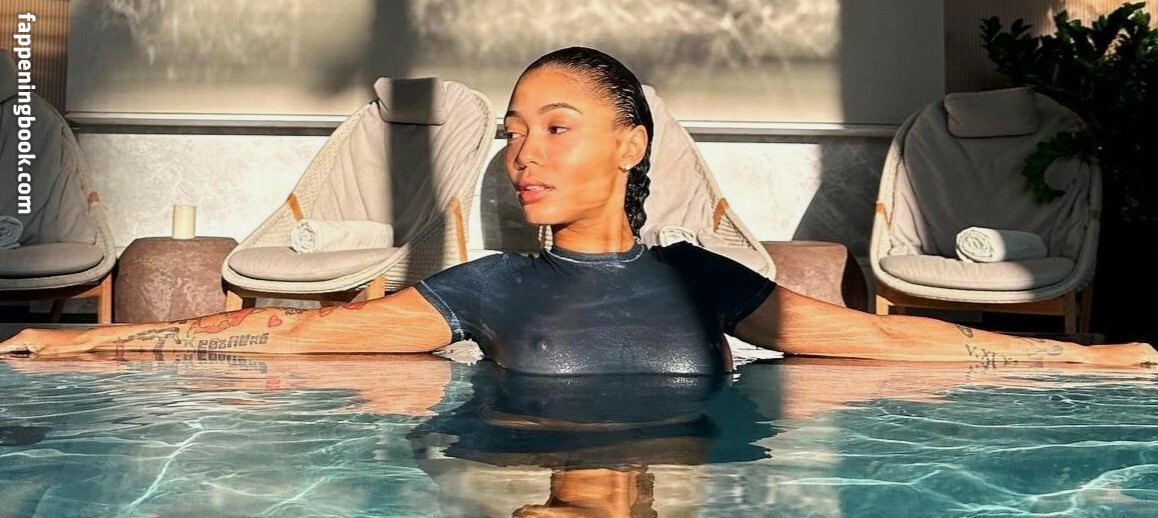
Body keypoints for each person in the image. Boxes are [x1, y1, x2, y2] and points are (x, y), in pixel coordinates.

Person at [1, 47, 1155, 371]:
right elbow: (273, 331)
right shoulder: (487, 286)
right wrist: (76, 345)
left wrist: (1094, 361)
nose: (522, 152)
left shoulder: (705, 279)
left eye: (556, 126)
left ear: (630, 144)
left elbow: (897, 341)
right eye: (513, 131)